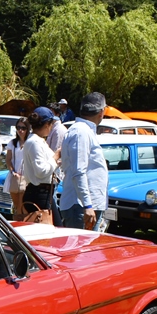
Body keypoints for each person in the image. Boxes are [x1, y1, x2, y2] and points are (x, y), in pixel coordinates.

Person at [58, 91, 109, 230]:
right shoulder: (81, 132)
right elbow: (79, 171)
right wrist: (88, 205)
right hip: (80, 207)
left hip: (85, 206)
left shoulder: (83, 130)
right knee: (80, 250)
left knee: (87, 250)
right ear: (102, 112)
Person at [21, 107, 60, 220]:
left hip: (44, 193)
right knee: (49, 231)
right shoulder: (34, 142)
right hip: (39, 194)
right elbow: (41, 171)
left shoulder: (38, 141)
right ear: (46, 124)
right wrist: (56, 156)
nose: (52, 127)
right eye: (51, 123)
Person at [4, 117, 30, 221]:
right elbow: (8, 160)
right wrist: (12, 171)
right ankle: (18, 222)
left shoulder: (30, 142)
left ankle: (25, 222)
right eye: (18, 127)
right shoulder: (13, 143)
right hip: (15, 176)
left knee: (24, 204)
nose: (20, 130)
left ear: (28, 129)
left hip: (27, 176)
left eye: (23, 128)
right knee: (16, 204)